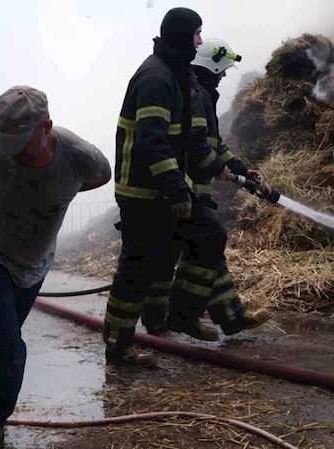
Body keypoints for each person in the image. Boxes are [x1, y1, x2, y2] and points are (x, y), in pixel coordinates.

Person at [0, 85, 111, 448]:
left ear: (47, 128)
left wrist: (53, 194)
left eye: (20, 145)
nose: (11, 155)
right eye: (5, 143)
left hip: (34, 261)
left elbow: (100, 178)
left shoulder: (81, 158)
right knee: (5, 342)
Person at [103, 7, 231, 366]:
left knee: (208, 236)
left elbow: (192, 137)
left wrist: (221, 167)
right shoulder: (155, 77)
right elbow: (151, 141)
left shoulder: (180, 75)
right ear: (181, 35)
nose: (201, 41)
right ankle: (118, 346)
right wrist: (178, 190)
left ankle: (183, 315)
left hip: (168, 188)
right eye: (197, 34)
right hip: (143, 193)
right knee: (136, 268)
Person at [141, 38, 272, 337]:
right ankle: (168, 320)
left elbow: (212, 143)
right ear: (211, 68)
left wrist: (239, 168)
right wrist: (219, 169)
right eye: (222, 70)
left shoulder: (203, 94)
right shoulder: (194, 94)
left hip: (192, 187)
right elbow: (196, 145)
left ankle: (230, 316)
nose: (225, 75)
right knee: (184, 248)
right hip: (181, 187)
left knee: (208, 250)